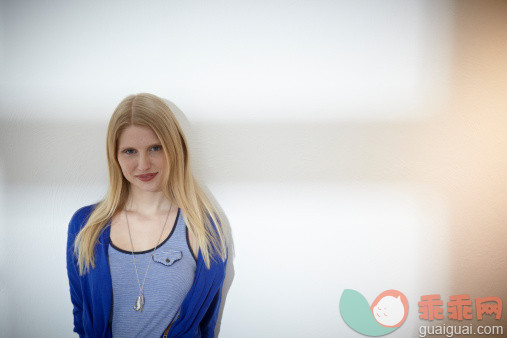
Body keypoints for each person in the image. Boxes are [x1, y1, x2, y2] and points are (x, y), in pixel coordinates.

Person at [66, 93, 228, 338]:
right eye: (130, 151)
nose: (143, 164)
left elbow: (206, 325)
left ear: (175, 148)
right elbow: (81, 318)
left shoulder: (202, 227)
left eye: (155, 148)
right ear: (115, 157)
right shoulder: (85, 227)